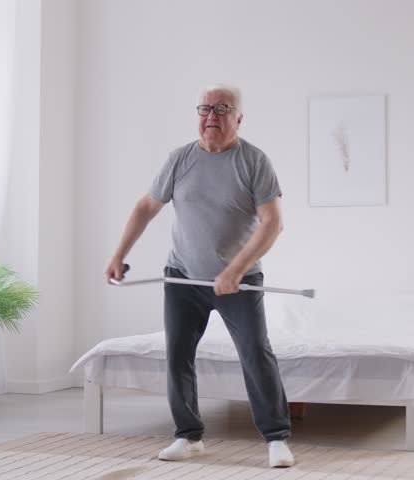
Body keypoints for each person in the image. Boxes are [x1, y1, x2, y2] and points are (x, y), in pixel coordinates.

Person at [104, 84, 294, 468]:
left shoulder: (254, 161)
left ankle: (276, 438)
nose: (211, 116)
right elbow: (146, 207)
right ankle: (188, 436)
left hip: (239, 281)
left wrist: (235, 269)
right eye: (205, 109)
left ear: (238, 118)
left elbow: (272, 224)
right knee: (178, 354)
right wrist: (119, 255)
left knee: (255, 353)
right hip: (183, 277)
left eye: (222, 109)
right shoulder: (180, 159)